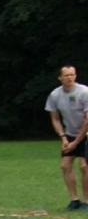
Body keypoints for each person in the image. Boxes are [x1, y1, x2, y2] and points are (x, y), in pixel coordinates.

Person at [44, 65, 88, 210]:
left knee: (84, 166)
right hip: (69, 133)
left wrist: (75, 142)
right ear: (60, 78)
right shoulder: (55, 95)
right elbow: (55, 118)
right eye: (67, 75)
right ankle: (74, 200)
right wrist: (63, 138)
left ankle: (86, 201)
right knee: (65, 165)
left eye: (72, 75)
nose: (70, 78)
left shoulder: (84, 92)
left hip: (86, 133)